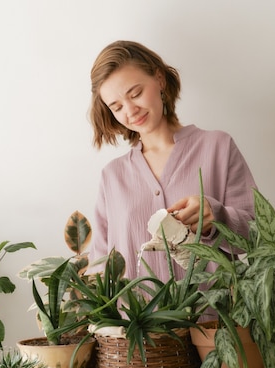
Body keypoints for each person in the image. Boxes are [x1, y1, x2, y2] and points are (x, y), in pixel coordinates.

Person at [89, 40, 256, 282]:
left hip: (214, 318)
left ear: (160, 80)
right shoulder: (112, 176)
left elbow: (257, 236)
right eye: (116, 107)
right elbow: (100, 265)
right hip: (134, 320)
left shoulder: (217, 147)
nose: (130, 110)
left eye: (135, 94)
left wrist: (217, 218)